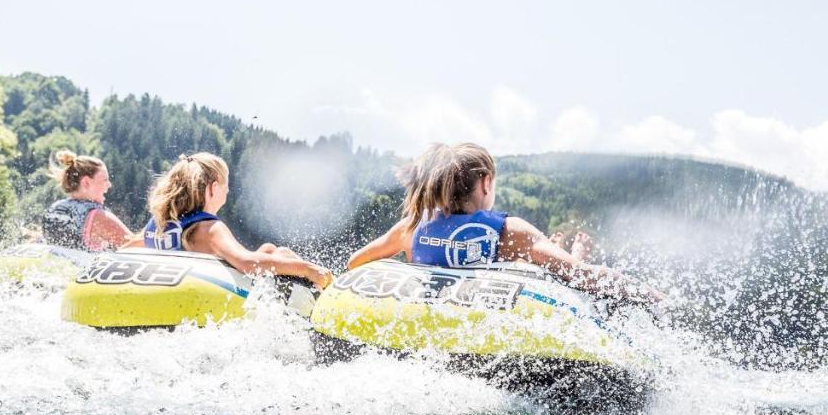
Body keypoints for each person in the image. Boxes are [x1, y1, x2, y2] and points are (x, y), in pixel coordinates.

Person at [346, 142, 662, 303]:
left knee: (540, 264)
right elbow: (583, 277)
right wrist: (652, 296)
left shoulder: (412, 227)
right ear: (485, 182)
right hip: (496, 315)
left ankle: (560, 246)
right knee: (553, 267)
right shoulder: (510, 232)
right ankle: (567, 248)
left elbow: (356, 263)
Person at [136, 152, 332, 289]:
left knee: (269, 249)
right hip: (212, 301)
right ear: (212, 188)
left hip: (177, 289)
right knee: (282, 253)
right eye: (226, 184)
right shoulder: (209, 229)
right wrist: (308, 269)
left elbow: (128, 246)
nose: (228, 191)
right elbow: (248, 263)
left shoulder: (158, 225)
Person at [42, 150, 134, 251]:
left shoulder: (55, 209)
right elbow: (135, 247)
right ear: (86, 183)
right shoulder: (97, 216)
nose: (109, 185)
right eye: (105, 180)